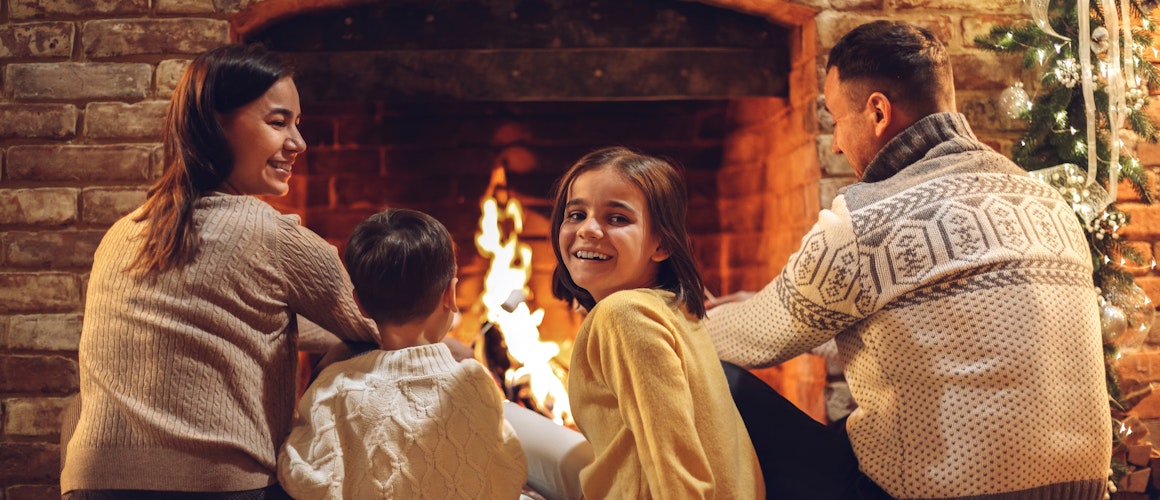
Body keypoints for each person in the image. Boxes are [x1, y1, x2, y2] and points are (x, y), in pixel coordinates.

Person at [705, 20, 1113, 499]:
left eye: (836, 118)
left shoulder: (866, 219)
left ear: (878, 111)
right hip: (1080, 491)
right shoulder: (1045, 200)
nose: (835, 142)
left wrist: (634, 317)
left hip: (942, 493)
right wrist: (758, 302)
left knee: (713, 373)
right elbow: (929, 333)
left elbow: (753, 339)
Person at [60, 44, 379, 497]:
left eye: (298, 124)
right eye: (278, 122)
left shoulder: (123, 233)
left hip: (91, 485)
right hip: (216, 489)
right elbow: (386, 329)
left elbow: (231, 321)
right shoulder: (269, 233)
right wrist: (460, 359)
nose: (299, 143)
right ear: (216, 124)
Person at [550, 146, 764, 499]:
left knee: (502, 421)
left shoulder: (624, 315)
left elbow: (673, 462)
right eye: (575, 214)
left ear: (661, 243)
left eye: (617, 218)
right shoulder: (673, 308)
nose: (588, 229)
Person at [277, 208, 528, 499]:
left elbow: (303, 480)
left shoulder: (335, 389)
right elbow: (510, 469)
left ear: (359, 304)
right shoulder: (476, 382)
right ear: (451, 295)